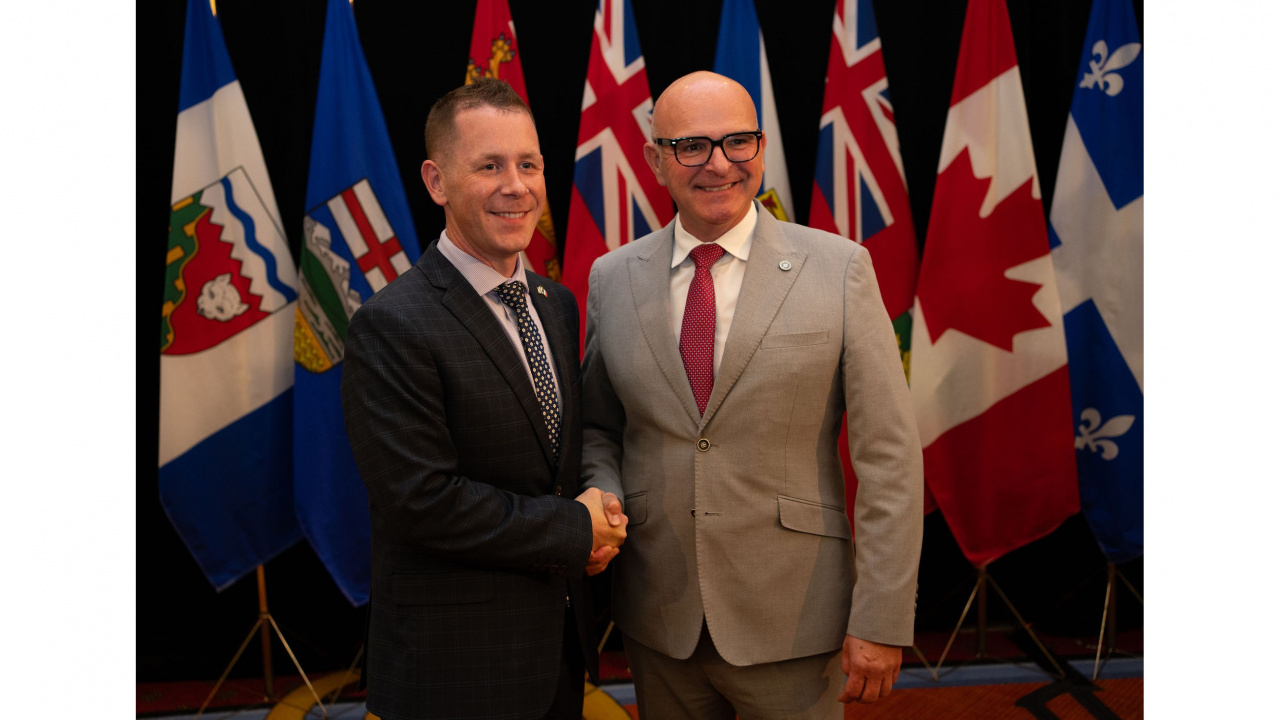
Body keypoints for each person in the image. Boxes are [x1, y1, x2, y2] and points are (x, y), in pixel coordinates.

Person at [580, 71, 924, 719]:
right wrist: (602, 494)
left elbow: (890, 461)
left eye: (739, 142)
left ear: (761, 150)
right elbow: (600, 427)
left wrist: (881, 617)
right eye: (693, 147)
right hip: (660, 620)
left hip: (794, 619)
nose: (720, 164)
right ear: (656, 160)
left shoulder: (840, 268)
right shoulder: (612, 278)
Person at [341, 77, 627, 720]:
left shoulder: (557, 304)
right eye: (489, 166)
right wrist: (575, 528)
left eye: (528, 164)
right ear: (437, 182)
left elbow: (560, 461)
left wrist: (601, 506)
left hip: (555, 656)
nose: (516, 185)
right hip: (454, 673)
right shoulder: (392, 324)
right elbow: (421, 502)